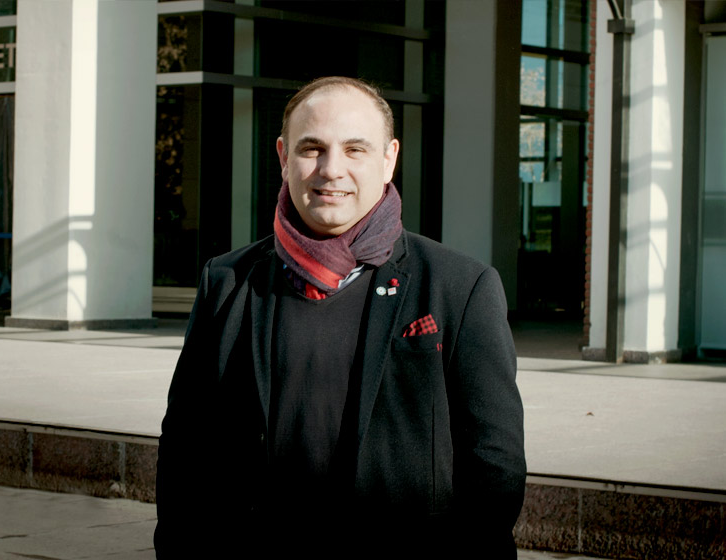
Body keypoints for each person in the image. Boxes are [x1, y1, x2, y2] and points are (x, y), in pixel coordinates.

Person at [155, 76, 526, 558]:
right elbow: (185, 446)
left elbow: (494, 464)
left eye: (355, 149)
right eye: (312, 148)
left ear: (388, 159)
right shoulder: (227, 282)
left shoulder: (460, 287)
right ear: (283, 157)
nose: (331, 170)